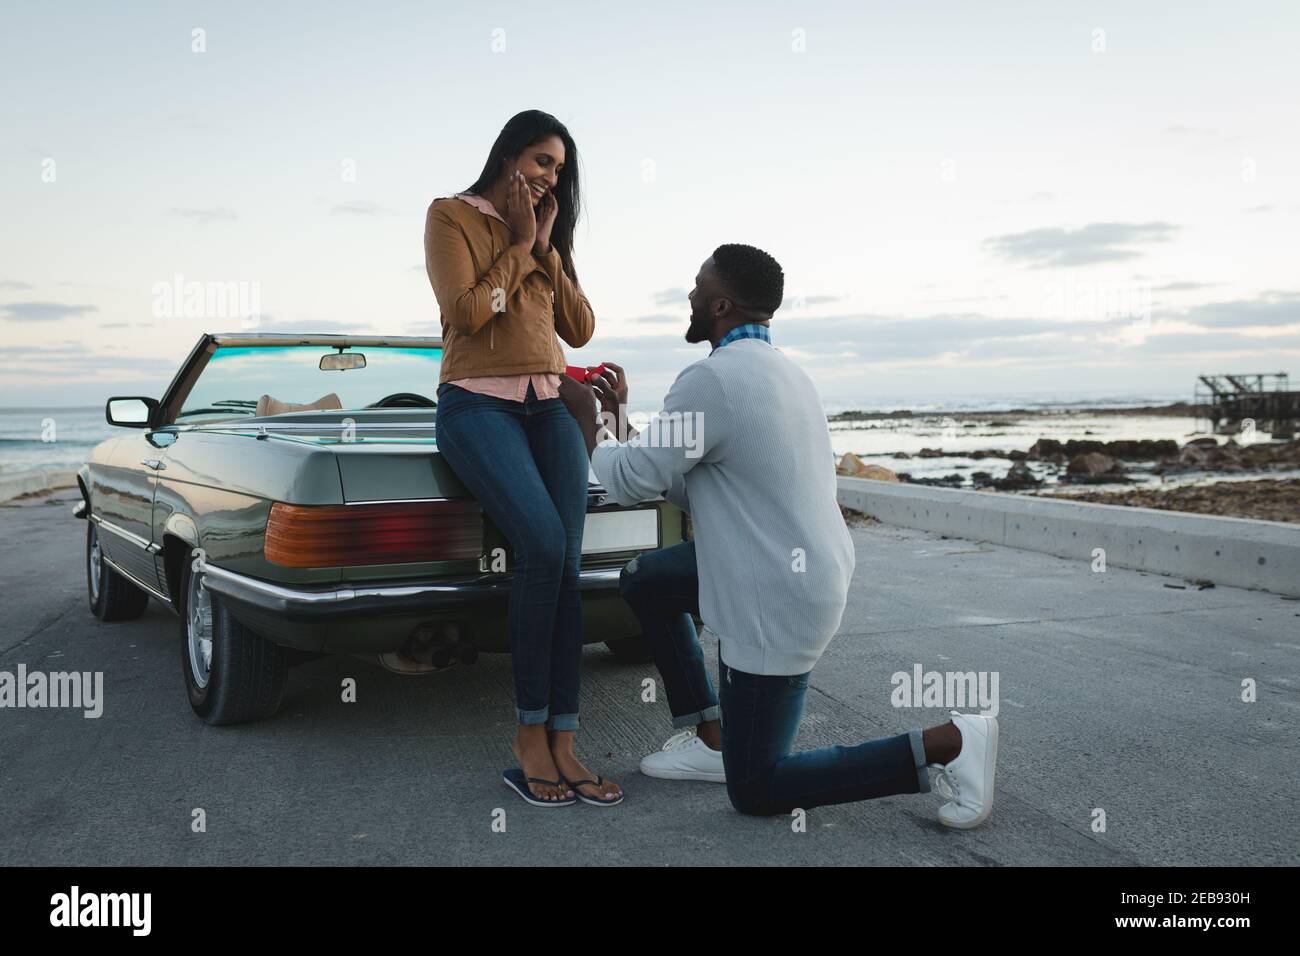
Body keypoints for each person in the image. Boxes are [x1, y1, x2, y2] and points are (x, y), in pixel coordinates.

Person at [556, 244, 997, 826]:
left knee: (758, 789)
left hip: (775, 597)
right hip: (802, 567)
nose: (688, 295)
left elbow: (632, 481)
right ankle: (712, 739)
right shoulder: (784, 372)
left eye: (697, 286)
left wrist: (589, 423)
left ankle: (948, 743)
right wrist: (617, 424)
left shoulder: (711, 380)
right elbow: (694, 484)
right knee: (649, 580)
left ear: (720, 304)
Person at [423, 109, 622, 807]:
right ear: (509, 155)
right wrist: (514, 244)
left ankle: (564, 741)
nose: (549, 177)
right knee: (540, 546)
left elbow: (578, 326)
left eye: (559, 170)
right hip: (477, 407)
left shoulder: (544, 239)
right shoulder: (451, 216)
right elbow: (469, 312)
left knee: (566, 563)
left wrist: (549, 251)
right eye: (541, 161)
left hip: (547, 407)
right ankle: (528, 736)